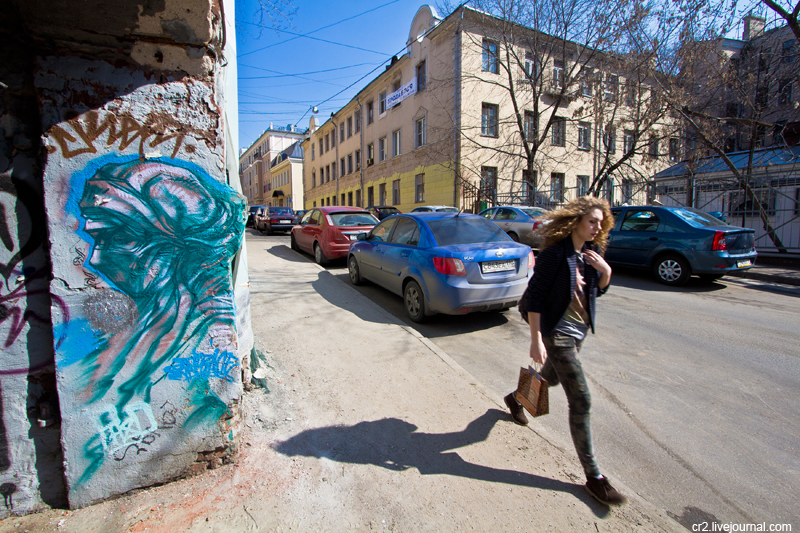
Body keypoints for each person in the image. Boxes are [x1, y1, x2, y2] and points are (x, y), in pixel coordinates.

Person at [504, 196, 627, 506]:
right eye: (592, 221)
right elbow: (535, 297)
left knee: (552, 379)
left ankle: (515, 399)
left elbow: (594, 293)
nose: (597, 227)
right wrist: (536, 340)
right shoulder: (555, 254)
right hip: (557, 335)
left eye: (601, 223)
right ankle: (594, 478)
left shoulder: (591, 254)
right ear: (576, 222)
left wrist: (606, 272)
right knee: (581, 400)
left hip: (577, 334)